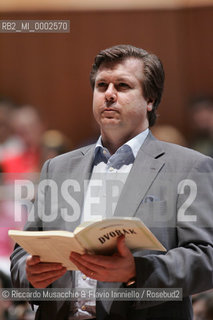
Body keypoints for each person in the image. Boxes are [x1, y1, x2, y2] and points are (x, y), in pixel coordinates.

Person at [10, 45, 213, 320]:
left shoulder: (188, 167)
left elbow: (205, 258)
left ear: (150, 99)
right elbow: (23, 253)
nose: (108, 94)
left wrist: (135, 272)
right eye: (101, 85)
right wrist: (31, 274)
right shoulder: (57, 168)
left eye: (123, 85)